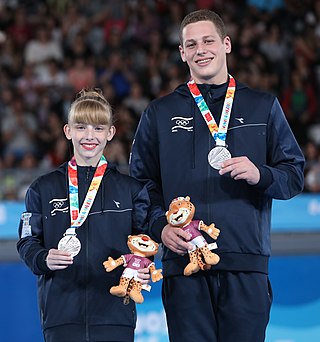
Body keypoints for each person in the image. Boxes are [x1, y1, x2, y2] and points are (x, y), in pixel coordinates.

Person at [129, 9, 305, 342]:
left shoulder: (262, 106)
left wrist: (260, 174)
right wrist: (159, 227)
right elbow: (140, 186)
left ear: (226, 44)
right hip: (184, 264)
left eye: (208, 40)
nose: (201, 49)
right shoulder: (160, 112)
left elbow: (293, 174)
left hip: (245, 263)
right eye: (191, 44)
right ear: (182, 53)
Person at [17, 88, 151, 342]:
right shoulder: (42, 189)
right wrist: (43, 257)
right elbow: (26, 242)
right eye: (81, 127)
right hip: (61, 316)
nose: (89, 136)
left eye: (98, 128)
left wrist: (144, 266)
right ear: (68, 131)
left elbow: (145, 244)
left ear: (110, 133)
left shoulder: (131, 190)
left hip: (115, 316)